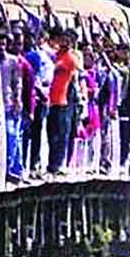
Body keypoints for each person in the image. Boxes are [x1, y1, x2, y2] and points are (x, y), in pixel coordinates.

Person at [46, 27, 80, 176]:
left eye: (68, 40)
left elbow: (75, 67)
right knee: (51, 134)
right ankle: (51, 164)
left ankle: (57, 164)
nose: (64, 42)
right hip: (51, 100)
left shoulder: (70, 58)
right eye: (63, 39)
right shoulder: (56, 55)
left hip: (61, 101)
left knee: (60, 135)